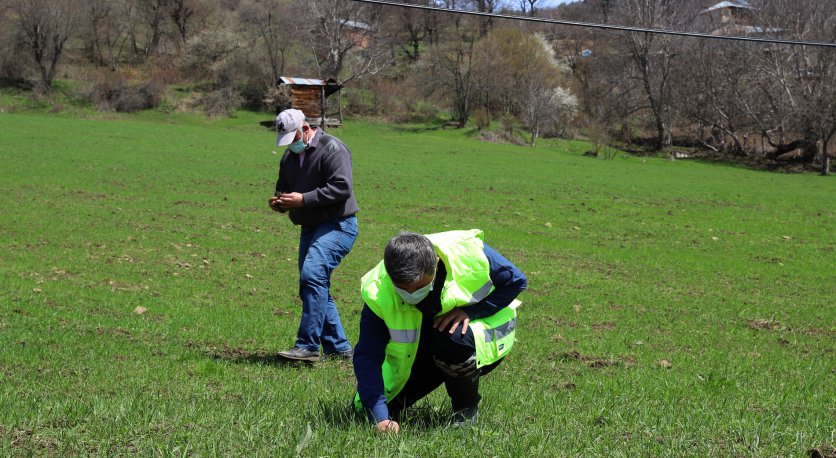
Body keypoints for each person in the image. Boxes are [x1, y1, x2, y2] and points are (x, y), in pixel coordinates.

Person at [353, 229, 527, 432]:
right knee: (364, 410)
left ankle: (465, 408)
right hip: (421, 348)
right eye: (402, 288)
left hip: (475, 337)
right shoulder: (378, 290)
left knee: (451, 338)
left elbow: (517, 281)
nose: (411, 295)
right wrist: (379, 417)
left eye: (420, 287)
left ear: (435, 264)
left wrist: (471, 312)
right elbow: (367, 355)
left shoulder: (468, 251)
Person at [268, 108, 359, 362]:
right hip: (310, 226)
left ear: (305, 128)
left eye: (293, 138)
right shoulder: (288, 157)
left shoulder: (333, 149)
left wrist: (303, 199)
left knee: (312, 276)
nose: (290, 145)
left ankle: (307, 346)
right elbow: (284, 187)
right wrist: (281, 201)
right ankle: (339, 348)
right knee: (313, 284)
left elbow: (342, 187)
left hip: (338, 224)